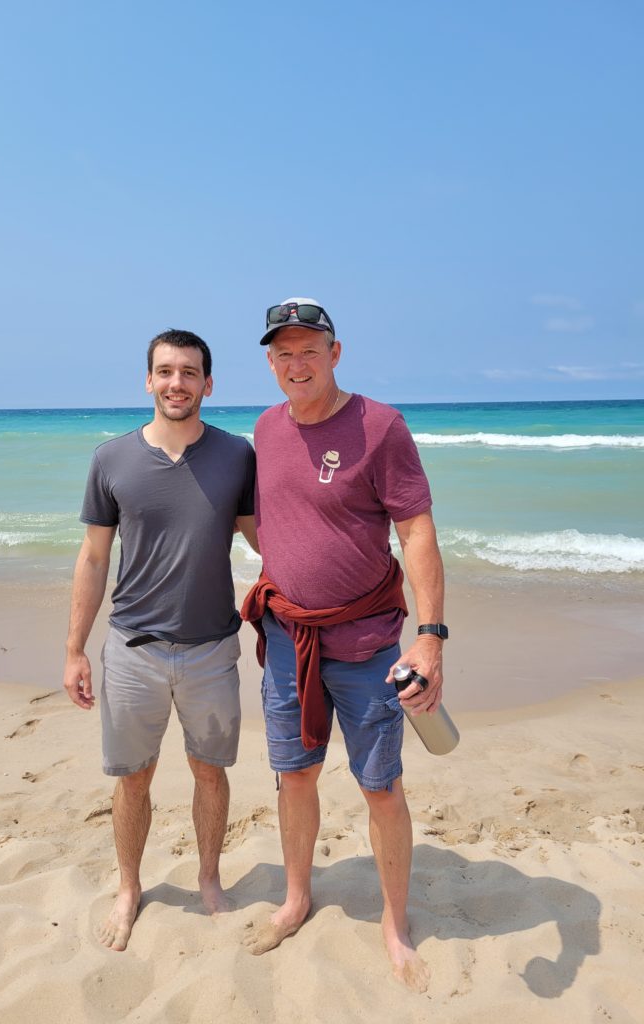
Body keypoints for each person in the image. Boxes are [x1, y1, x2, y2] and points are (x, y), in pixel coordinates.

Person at [241, 298, 446, 992]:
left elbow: (416, 532)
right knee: (293, 776)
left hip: (366, 645)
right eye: (283, 353)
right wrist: (289, 574)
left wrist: (429, 638)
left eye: (309, 349)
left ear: (336, 352)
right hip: (287, 640)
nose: (296, 364)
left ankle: (394, 923)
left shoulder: (380, 426)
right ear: (270, 364)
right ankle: (297, 897)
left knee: (380, 786)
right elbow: (266, 519)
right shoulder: (266, 430)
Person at [64, 328, 257, 952]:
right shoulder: (111, 459)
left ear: (208, 383)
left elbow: (265, 541)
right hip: (132, 651)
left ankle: (208, 880)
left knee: (209, 771)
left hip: (211, 650)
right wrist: (74, 650)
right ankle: (129, 888)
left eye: (190, 372)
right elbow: (94, 559)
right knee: (135, 779)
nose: (177, 383)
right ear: (148, 380)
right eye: (166, 371)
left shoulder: (237, 456)